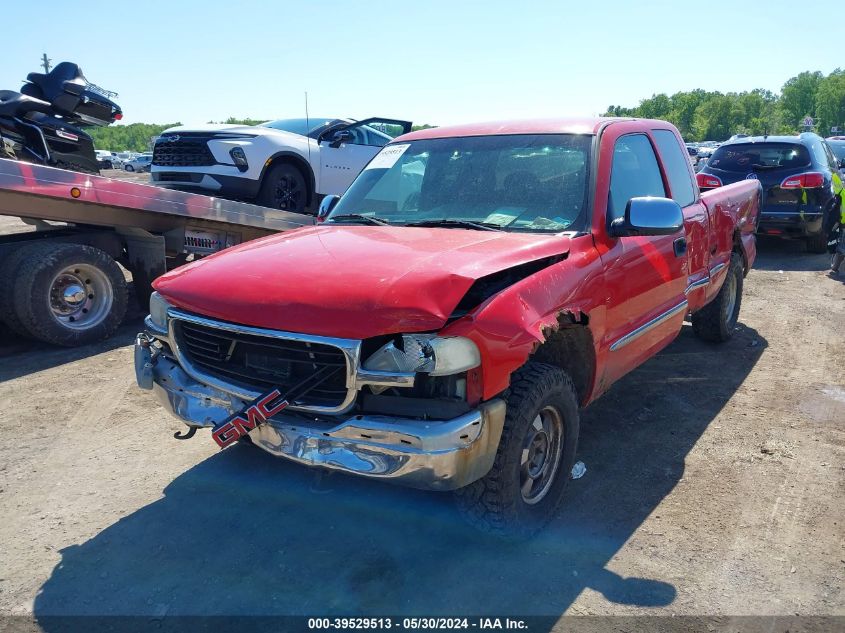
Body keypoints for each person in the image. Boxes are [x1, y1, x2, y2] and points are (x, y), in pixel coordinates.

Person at [827, 172, 845, 277]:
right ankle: (835, 267)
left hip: (843, 223)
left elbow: (835, 179)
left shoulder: (842, 191)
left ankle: (835, 267)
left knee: (842, 248)